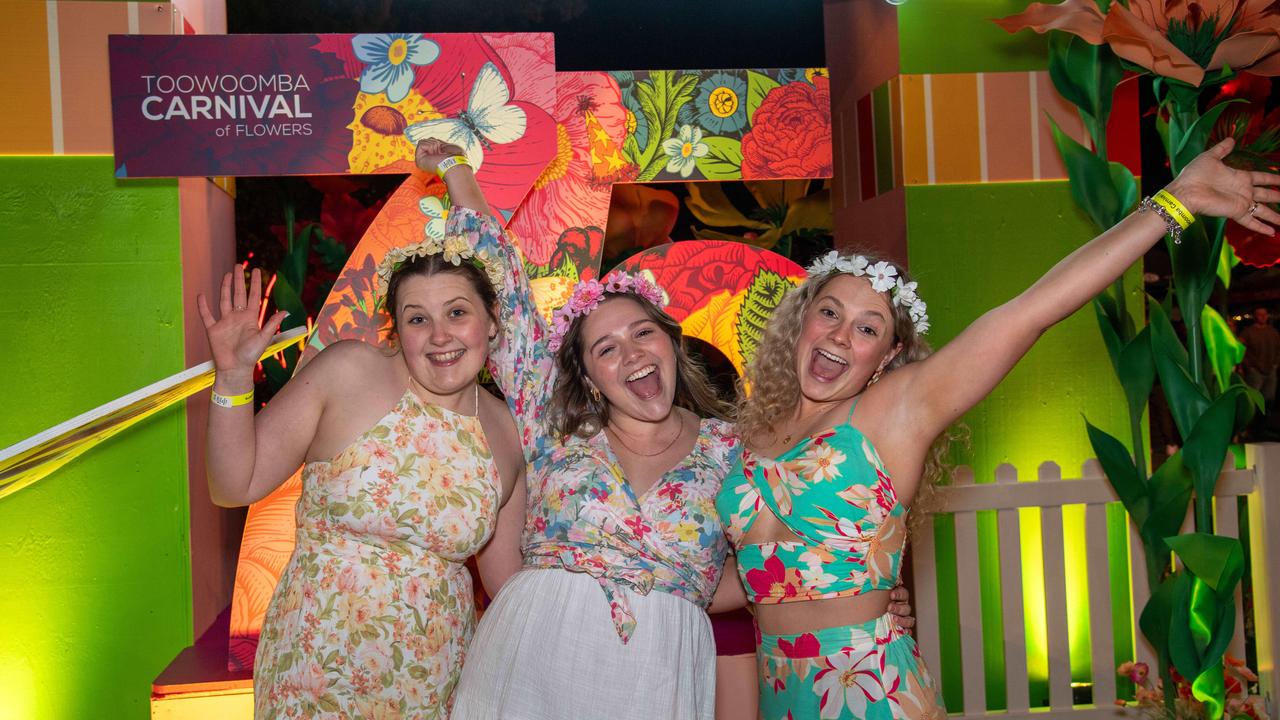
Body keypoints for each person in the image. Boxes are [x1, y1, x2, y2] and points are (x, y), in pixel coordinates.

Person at [716, 137, 1280, 719]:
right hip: (777, 687)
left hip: (867, 687)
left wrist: (1174, 202)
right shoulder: (753, 439)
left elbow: (1034, 308)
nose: (839, 334)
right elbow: (744, 576)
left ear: (886, 358)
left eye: (867, 328)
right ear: (802, 319)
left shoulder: (893, 409)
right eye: (830, 312)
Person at [197, 139, 523, 718]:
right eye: (417, 318)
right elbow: (233, 484)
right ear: (396, 331)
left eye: (457, 312)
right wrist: (231, 377)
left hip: (432, 684)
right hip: (314, 672)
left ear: (491, 323)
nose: (440, 335)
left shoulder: (505, 433)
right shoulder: (349, 372)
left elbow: (508, 589)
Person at [1241, 306, 1278, 405]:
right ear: (1254, 316)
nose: (1262, 317)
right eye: (1259, 314)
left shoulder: (1273, 332)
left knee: (1269, 398)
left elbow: (1278, 349)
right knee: (1254, 400)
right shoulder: (1247, 332)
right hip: (1255, 371)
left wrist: (1275, 364)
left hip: (1271, 370)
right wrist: (1249, 367)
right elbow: (1241, 350)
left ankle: (1267, 419)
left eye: (1264, 314)